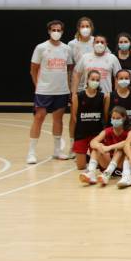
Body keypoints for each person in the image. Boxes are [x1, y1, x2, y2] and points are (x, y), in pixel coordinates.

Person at [29, 20, 73, 164]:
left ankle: (57, 151)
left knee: (58, 120)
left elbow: (69, 69)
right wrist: (38, 86)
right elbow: (33, 69)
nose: (56, 32)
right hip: (44, 90)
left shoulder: (66, 49)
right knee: (39, 118)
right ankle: (31, 152)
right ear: (49, 31)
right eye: (53, 30)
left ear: (62, 32)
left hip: (61, 90)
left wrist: (68, 86)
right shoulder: (41, 48)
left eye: (58, 30)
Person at [80, 106, 131, 186]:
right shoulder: (107, 130)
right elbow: (92, 142)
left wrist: (110, 147)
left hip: (121, 165)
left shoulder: (130, 131)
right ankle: (91, 173)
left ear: (124, 118)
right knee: (97, 147)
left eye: (118, 118)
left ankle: (107, 174)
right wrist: (99, 146)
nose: (115, 120)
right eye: (113, 118)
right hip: (108, 162)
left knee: (120, 149)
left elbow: (127, 142)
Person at [70, 70, 108, 171]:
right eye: (92, 79)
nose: (95, 81)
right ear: (87, 80)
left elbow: (105, 116)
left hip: (96, 135)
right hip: (81, 134)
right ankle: (85, 157)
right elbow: (74, 116)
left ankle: (91, 158)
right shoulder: (78, 96)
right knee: (80, 167)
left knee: (102, 166)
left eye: (97, 80)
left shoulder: (103, 96)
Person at [68, 17, 97, 85]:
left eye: (87, 26)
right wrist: (69, 83)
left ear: (91, 28)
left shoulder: (97, 41)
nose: (85, 28)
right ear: (78, 28)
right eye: (82, 26)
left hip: (95, 81)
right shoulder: (72, 44)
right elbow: (69, 66)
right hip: (78, 82)